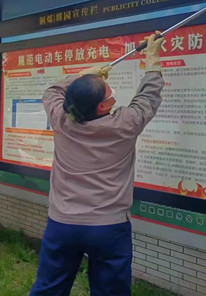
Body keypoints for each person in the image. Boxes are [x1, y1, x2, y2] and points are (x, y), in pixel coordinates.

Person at [30, 32, 165, 296]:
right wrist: (152, 58)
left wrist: (81, 76)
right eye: (108, 91)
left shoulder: (61, 119)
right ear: (103, 107)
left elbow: (51, 92)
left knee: (49, 289)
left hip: (63, 224)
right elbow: (148, 98)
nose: (111, 90)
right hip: (108, 228)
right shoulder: (124, 124)